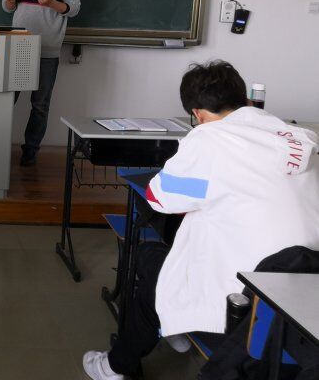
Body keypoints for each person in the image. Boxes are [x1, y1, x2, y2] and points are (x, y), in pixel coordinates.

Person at [83, 60, 319, 380]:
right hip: (305, 300)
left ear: (197, 113)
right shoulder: (297, 136)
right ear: (245, 100)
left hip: (246, 307)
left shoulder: (208, 139)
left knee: (149, 259)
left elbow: (159, 198)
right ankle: (169, 325)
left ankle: (115, 365)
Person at [2, 0, 80, 166]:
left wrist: (52, 3)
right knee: (6, 101)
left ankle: (30, 151)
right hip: (18, 46)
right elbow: (8, 7)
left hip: (47, 49)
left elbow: (74, 9)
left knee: (40, 105)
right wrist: (10, 0)